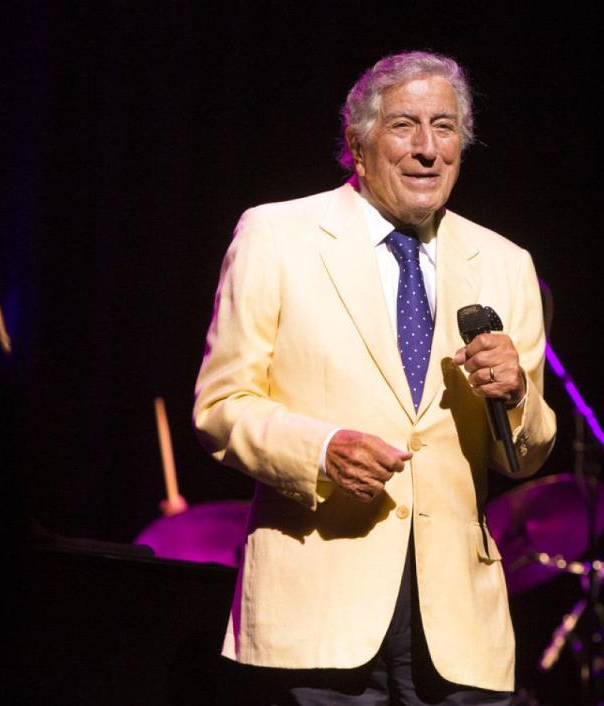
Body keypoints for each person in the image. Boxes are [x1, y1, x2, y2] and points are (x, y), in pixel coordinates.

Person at [193, 51, 557, 705]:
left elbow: (524, 454)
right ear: (357, 141)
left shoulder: (505, 263)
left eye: (444, 127)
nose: (427, 149)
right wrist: (321, 451)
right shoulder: (277, 234)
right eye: (404, 126)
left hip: (458, 631)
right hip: (316, 613)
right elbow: (221, 406)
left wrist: (519, 396)